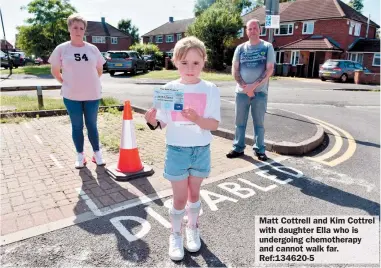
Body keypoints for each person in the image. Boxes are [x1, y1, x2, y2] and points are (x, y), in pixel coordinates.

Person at [144, 36, 221, 261]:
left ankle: (192, 227)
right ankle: (175, 233)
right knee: (179, 198)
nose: (190, 68)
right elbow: (162, 122)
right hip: (176, 150)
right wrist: (151, 121)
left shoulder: (210, 89)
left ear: (203, 62)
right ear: (175, 62)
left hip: (200, 149)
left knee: (195, 194)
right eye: (184, 62)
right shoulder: (168, 89)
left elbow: (214, 125)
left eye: (195, 63)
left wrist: (197, 119)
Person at [49, 14, 106, 169]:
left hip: (92, 95)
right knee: (76, 126)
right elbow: (55, 71)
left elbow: (99, 70)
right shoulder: (61, 49)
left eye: (81, 28)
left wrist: (88, 82)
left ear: (84, 31)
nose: (78, 30)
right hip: (71, 96)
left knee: (92, 125)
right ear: (69, 28)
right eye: (75, 27)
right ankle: (80, 155)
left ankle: (97, 153)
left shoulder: (93, 49)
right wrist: (66, 83)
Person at [226, 19, 275, 161]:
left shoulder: (267, 47)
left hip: (259, 93)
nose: (252, 31)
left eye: (255, 28)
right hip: (241, 93)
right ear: (246, 31)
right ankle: (238, 148)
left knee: (259, 123)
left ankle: (260, 149)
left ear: (260, 30)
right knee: (239, 122)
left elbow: (269, 69)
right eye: (250, 29)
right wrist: (245, 87)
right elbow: (235, 70)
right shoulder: (240, 48)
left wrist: (252, 87)